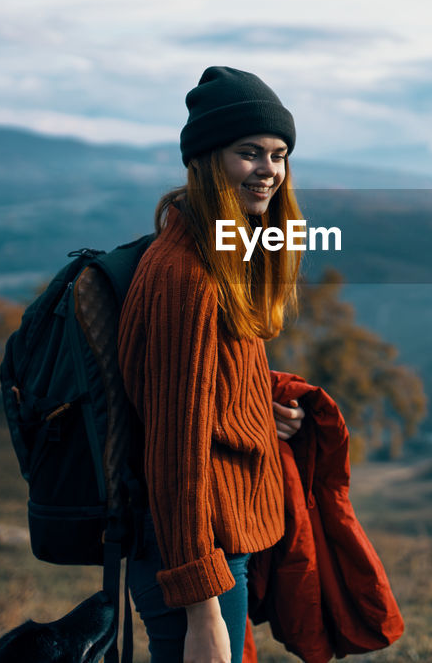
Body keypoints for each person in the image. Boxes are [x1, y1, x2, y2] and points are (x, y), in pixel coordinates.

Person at [118, 66, 307, 663]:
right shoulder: (190, 276)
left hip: (213, 545)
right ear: (205, 159)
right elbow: (175, 447)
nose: (268, 171)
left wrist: (255, 408)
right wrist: (202, 611)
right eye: (248, 153)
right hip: (194, 556)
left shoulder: (222, 255)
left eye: (278, 155)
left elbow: (199, 391)